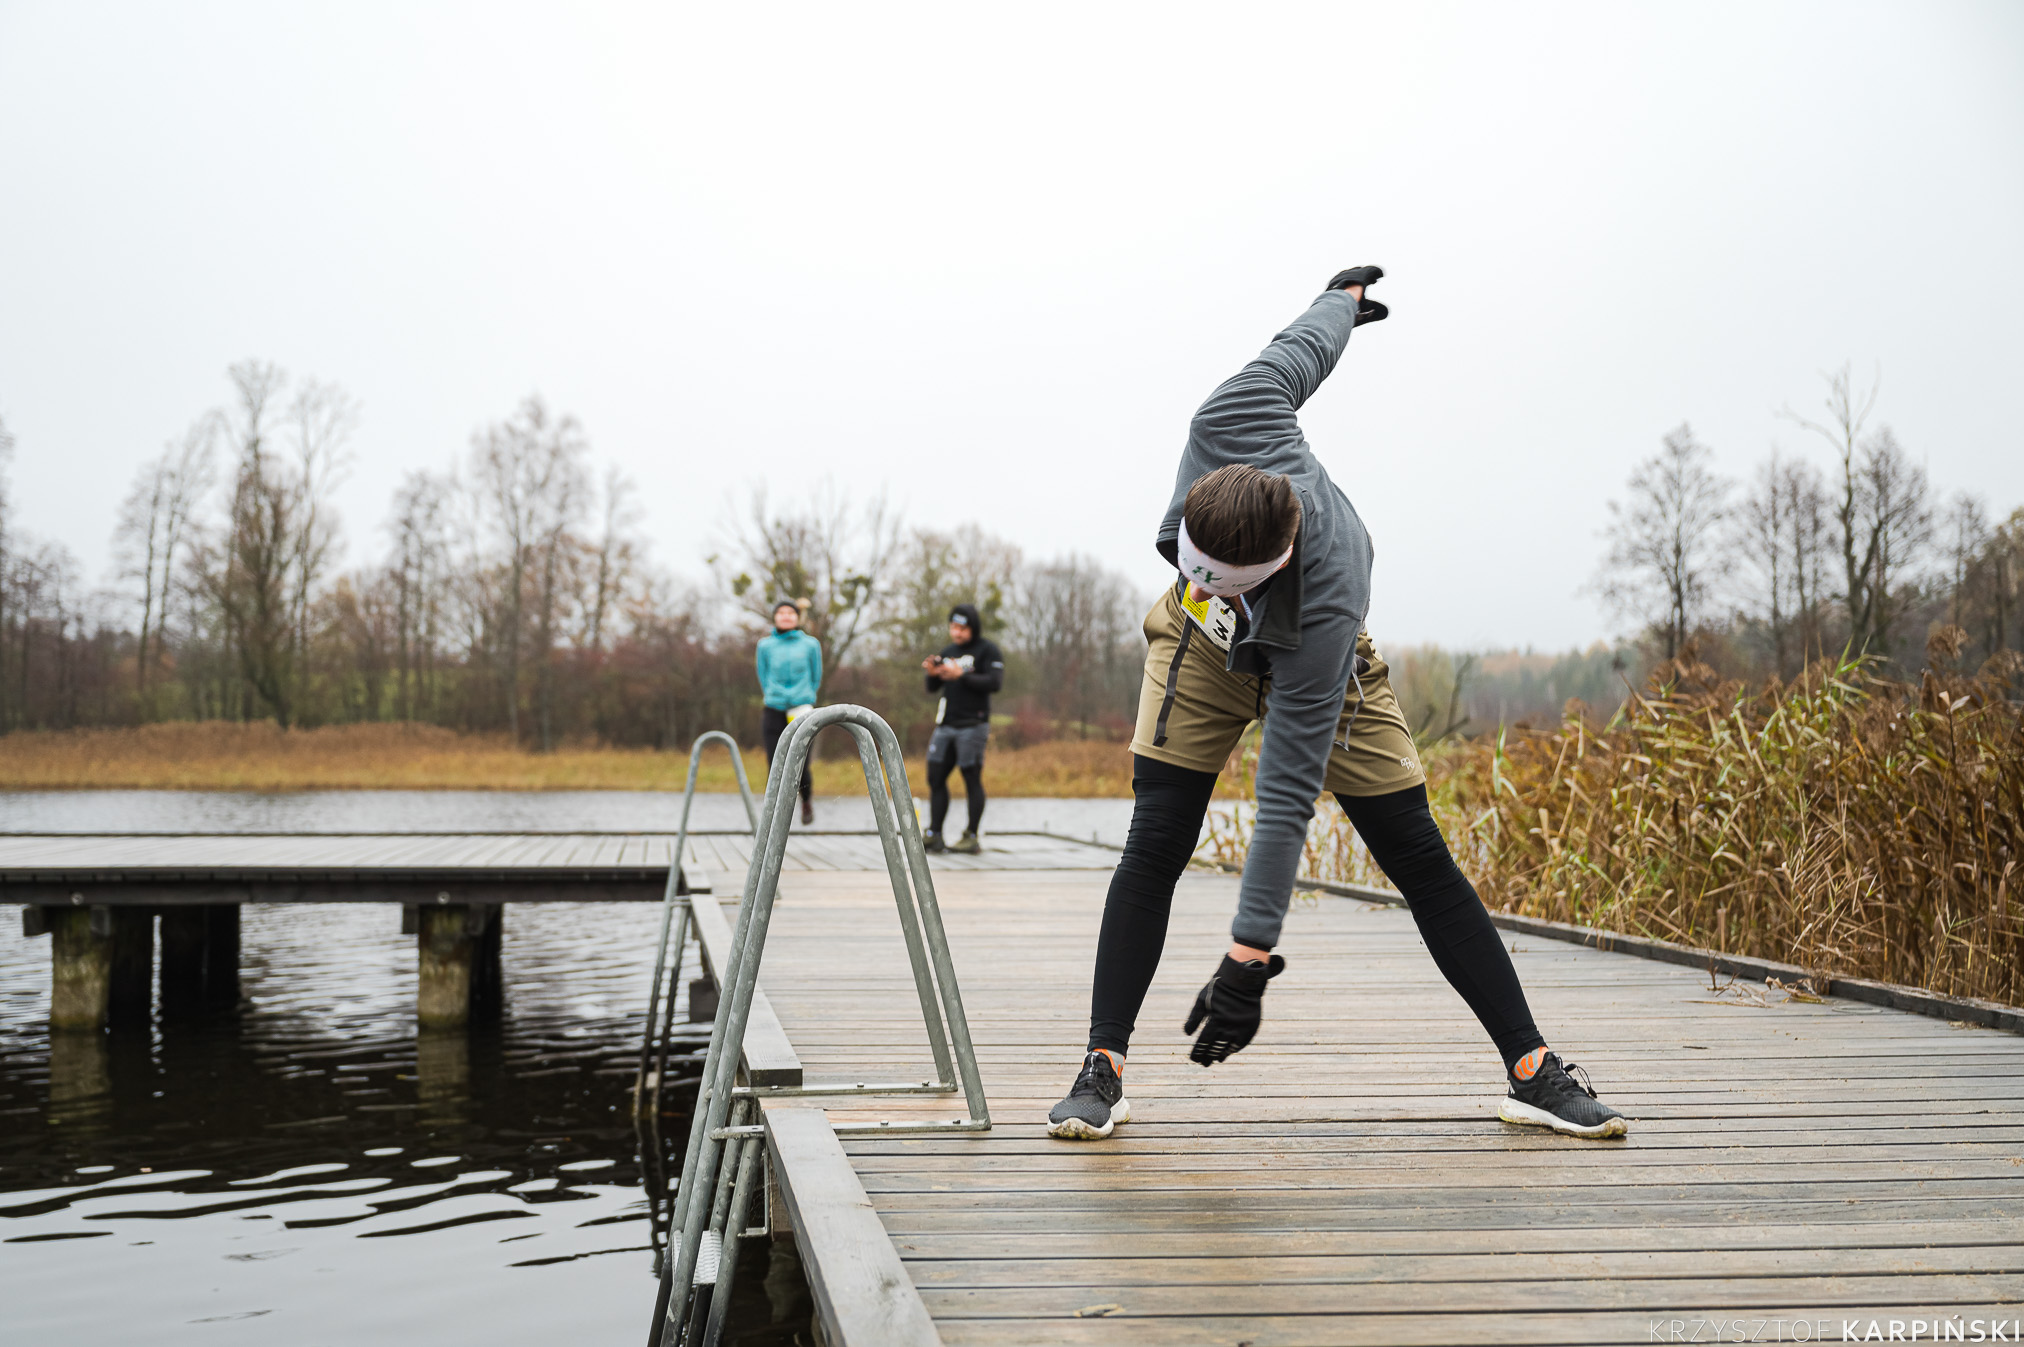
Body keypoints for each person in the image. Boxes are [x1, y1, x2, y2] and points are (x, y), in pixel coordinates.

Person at [1046, 267, 1628, 1142]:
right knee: (1156, 836)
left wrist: (1248, 957)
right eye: (1200, 569)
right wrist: (1342, 302)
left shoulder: (1327, 594)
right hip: (1198, 654)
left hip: (1320, 666)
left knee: (1417, 853)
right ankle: (1104, 1066)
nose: (1218, 587)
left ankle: (1533, 1072)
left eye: (1233, 586)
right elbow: (1302, 349)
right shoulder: (1231, 415)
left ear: (1278, 563)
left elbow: (1284, 795)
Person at [919, 604, 1004, 855]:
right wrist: (933, 674)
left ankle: (971, 836)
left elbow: (994, 682)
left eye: (962, 628)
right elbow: (932, 688)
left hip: (973, 725)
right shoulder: (948, 651)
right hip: (946, 724)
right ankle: (934, 833)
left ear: (973, 628)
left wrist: (961, 675)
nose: (957, 633)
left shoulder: (988, 650)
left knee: (970, 777)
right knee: (935, 777)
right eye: (953, 627)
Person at [755, 600, 820, 825]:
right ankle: (774, 812)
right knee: (775, 761)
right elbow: (762, 675)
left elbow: (816, 675)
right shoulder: (765, 646)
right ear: (775, 617)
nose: (785, 616)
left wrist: (806, 696)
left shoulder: (810, 645)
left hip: (801, 706)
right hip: (774, 706)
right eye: (781, 612)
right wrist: (774, 695)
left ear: (797, 617)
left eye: (790, 613)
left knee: (801, 762)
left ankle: (806, 801)